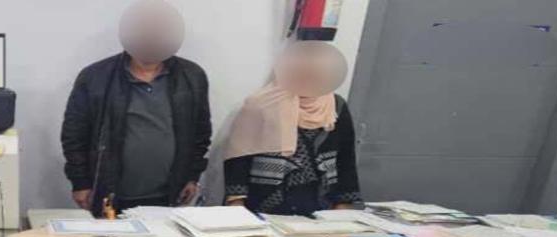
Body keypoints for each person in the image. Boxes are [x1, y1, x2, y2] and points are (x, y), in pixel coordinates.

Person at [61, 0, 212, 216]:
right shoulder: (95, 77)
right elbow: (74, 135)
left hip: (169, 194)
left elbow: (200, 132)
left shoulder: (192, 76)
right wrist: (80, 182)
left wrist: (192, 176)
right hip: (110, 194)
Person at [224, 41, 361, 216]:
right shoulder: (261, 104)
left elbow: (345, 157)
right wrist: (236, 201)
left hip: (320, 203)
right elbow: (239, 157)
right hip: (265, 201)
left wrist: (344, 203)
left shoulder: (336, 105)